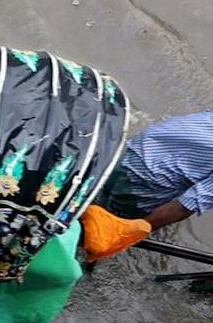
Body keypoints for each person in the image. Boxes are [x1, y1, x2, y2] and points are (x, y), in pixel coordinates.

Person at [80, 110, 213, 260]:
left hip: (124, 152)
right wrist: (135, 231)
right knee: (104, 230)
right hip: (141, 184)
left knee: (91, 196)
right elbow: (185, 206)